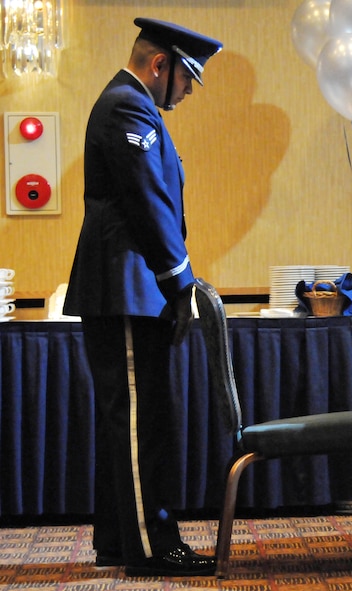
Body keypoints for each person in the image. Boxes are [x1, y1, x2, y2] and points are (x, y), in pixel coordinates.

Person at [64, 17, 222, 577]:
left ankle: (117, 541)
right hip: (128, 287)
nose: (185, 93)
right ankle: (154, 548)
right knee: (142, 423)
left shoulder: (133, 106)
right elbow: (150, 202)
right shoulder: (128, 106)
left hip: (130, 287)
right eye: (185, 81)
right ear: (161, 65)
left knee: (129, 422)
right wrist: (181, 282)